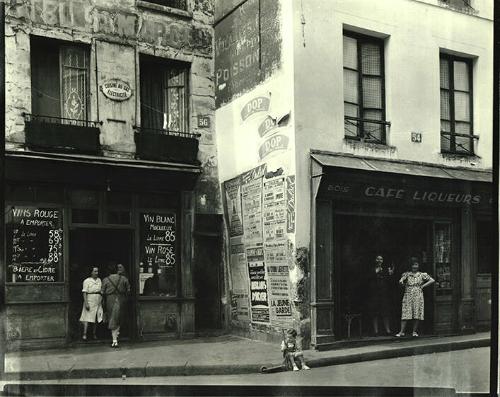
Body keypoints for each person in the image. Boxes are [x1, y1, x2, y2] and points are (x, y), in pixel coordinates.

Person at [396, 257, 435, 337]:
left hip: (418, 294)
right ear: (410, 266)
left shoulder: (422, 274)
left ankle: (414, 331)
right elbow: (401, 282)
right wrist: (402, 283)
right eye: (413, 265)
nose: (415, 267)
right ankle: (401, 331)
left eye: (416, 265)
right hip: (408, 293)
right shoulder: (406, 274)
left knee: (416, 312)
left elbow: (432, 280)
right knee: (406, 312)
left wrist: (423, 286)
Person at [101, 263, 130, 347]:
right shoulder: (124, 278)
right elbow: (128, 290)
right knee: (119, 318)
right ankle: (116, 337)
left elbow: (102, 292)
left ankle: (114, 340)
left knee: (112, 318)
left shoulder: (105, 280)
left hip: (110, 300)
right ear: (116, 270)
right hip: (121, 299)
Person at [367, 255, 394, 336]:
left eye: (381, 259)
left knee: (385, 312)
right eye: (378, 259)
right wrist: (376, 271)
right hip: (374, 294)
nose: (379, 260)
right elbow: (368, 279)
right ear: (375, 260)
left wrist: (390, 274)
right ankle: (376, 331)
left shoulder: (385, 269)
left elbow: (389, 281)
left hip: (384, 293)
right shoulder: (371, 269)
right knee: (374, 313)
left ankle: (388, 330)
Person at [79, 266, 103, 341]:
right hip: (90, 299)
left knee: (96, 318)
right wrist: (86, 303)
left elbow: (101, 291)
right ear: (91, 272)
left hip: (98, 300)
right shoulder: (87, 281)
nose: (97, 273)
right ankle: (85, 334)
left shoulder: (99, 280)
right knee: (87, 318)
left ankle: (94, 334)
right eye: (95, 271)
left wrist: (101, 300)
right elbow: (84, 292)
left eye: (97, 271)